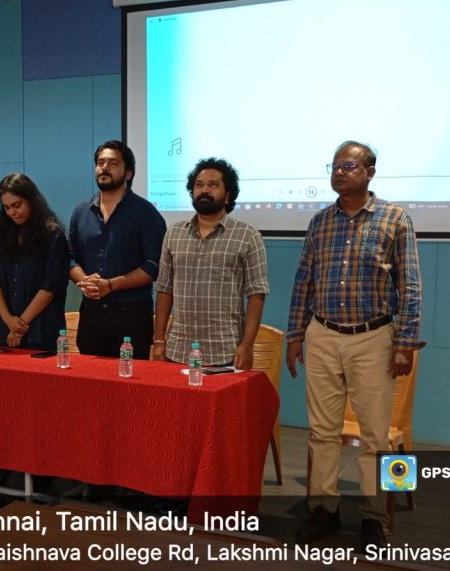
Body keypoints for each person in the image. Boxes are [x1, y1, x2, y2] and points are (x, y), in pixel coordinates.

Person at [286, 141, 423, 549]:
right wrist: (295, 334)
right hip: (323, 334)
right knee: (321, 432)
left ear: (370, 172)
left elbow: (410, 285)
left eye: (348, 166)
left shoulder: (395, 218)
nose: (339, 173)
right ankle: (323, 509)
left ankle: (376, 517)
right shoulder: (320, 222)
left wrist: (405, 343)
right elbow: (303, 281)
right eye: (335, 166)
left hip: (374, 337)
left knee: (376, 436)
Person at [152, 157, 269, 367]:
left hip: (225, 352)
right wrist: (159, 339)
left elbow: (256, 294)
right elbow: (164, 289)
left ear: (228, 195)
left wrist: (247, 345)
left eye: (213, 185)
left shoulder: (248, 236)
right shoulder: (174, 233)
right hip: (177, 350)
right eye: (199, 185)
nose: (204, 190)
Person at [68, 140, 166, 358]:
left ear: (128, 173)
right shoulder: (80, 212)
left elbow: (154, 265)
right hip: (91, 314)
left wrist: (111, 285)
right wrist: (85, 281)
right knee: (89, 377)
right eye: (100, 163)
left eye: (113, 163)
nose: (105, 167)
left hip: (131, 317)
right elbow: (71, 258)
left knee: (130, 377)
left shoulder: (146, 213)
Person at [0, 173, 69, 351]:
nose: (12, 213)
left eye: (17, 205)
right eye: (6, 207)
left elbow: (50, 287)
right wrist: (9, 320)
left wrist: (20, 325)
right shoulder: (1, 236)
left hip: (41, 329)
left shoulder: (53, 237)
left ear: (32, 200)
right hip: (5, 329)